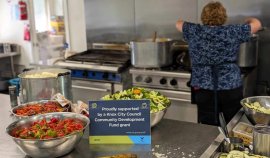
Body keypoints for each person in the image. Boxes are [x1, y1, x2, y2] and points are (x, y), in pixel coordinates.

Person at [175, 1, 261, 126]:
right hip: (230, 86)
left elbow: (178, 23)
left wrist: (197, 25)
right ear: (223, 17)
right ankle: (230, 144)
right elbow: (257, 24)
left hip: (203, 86)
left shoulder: (194, 30)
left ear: (203, 16)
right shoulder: (233, 31)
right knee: (233, 122)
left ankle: (210, 144)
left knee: (207, 125)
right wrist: (248, 19)